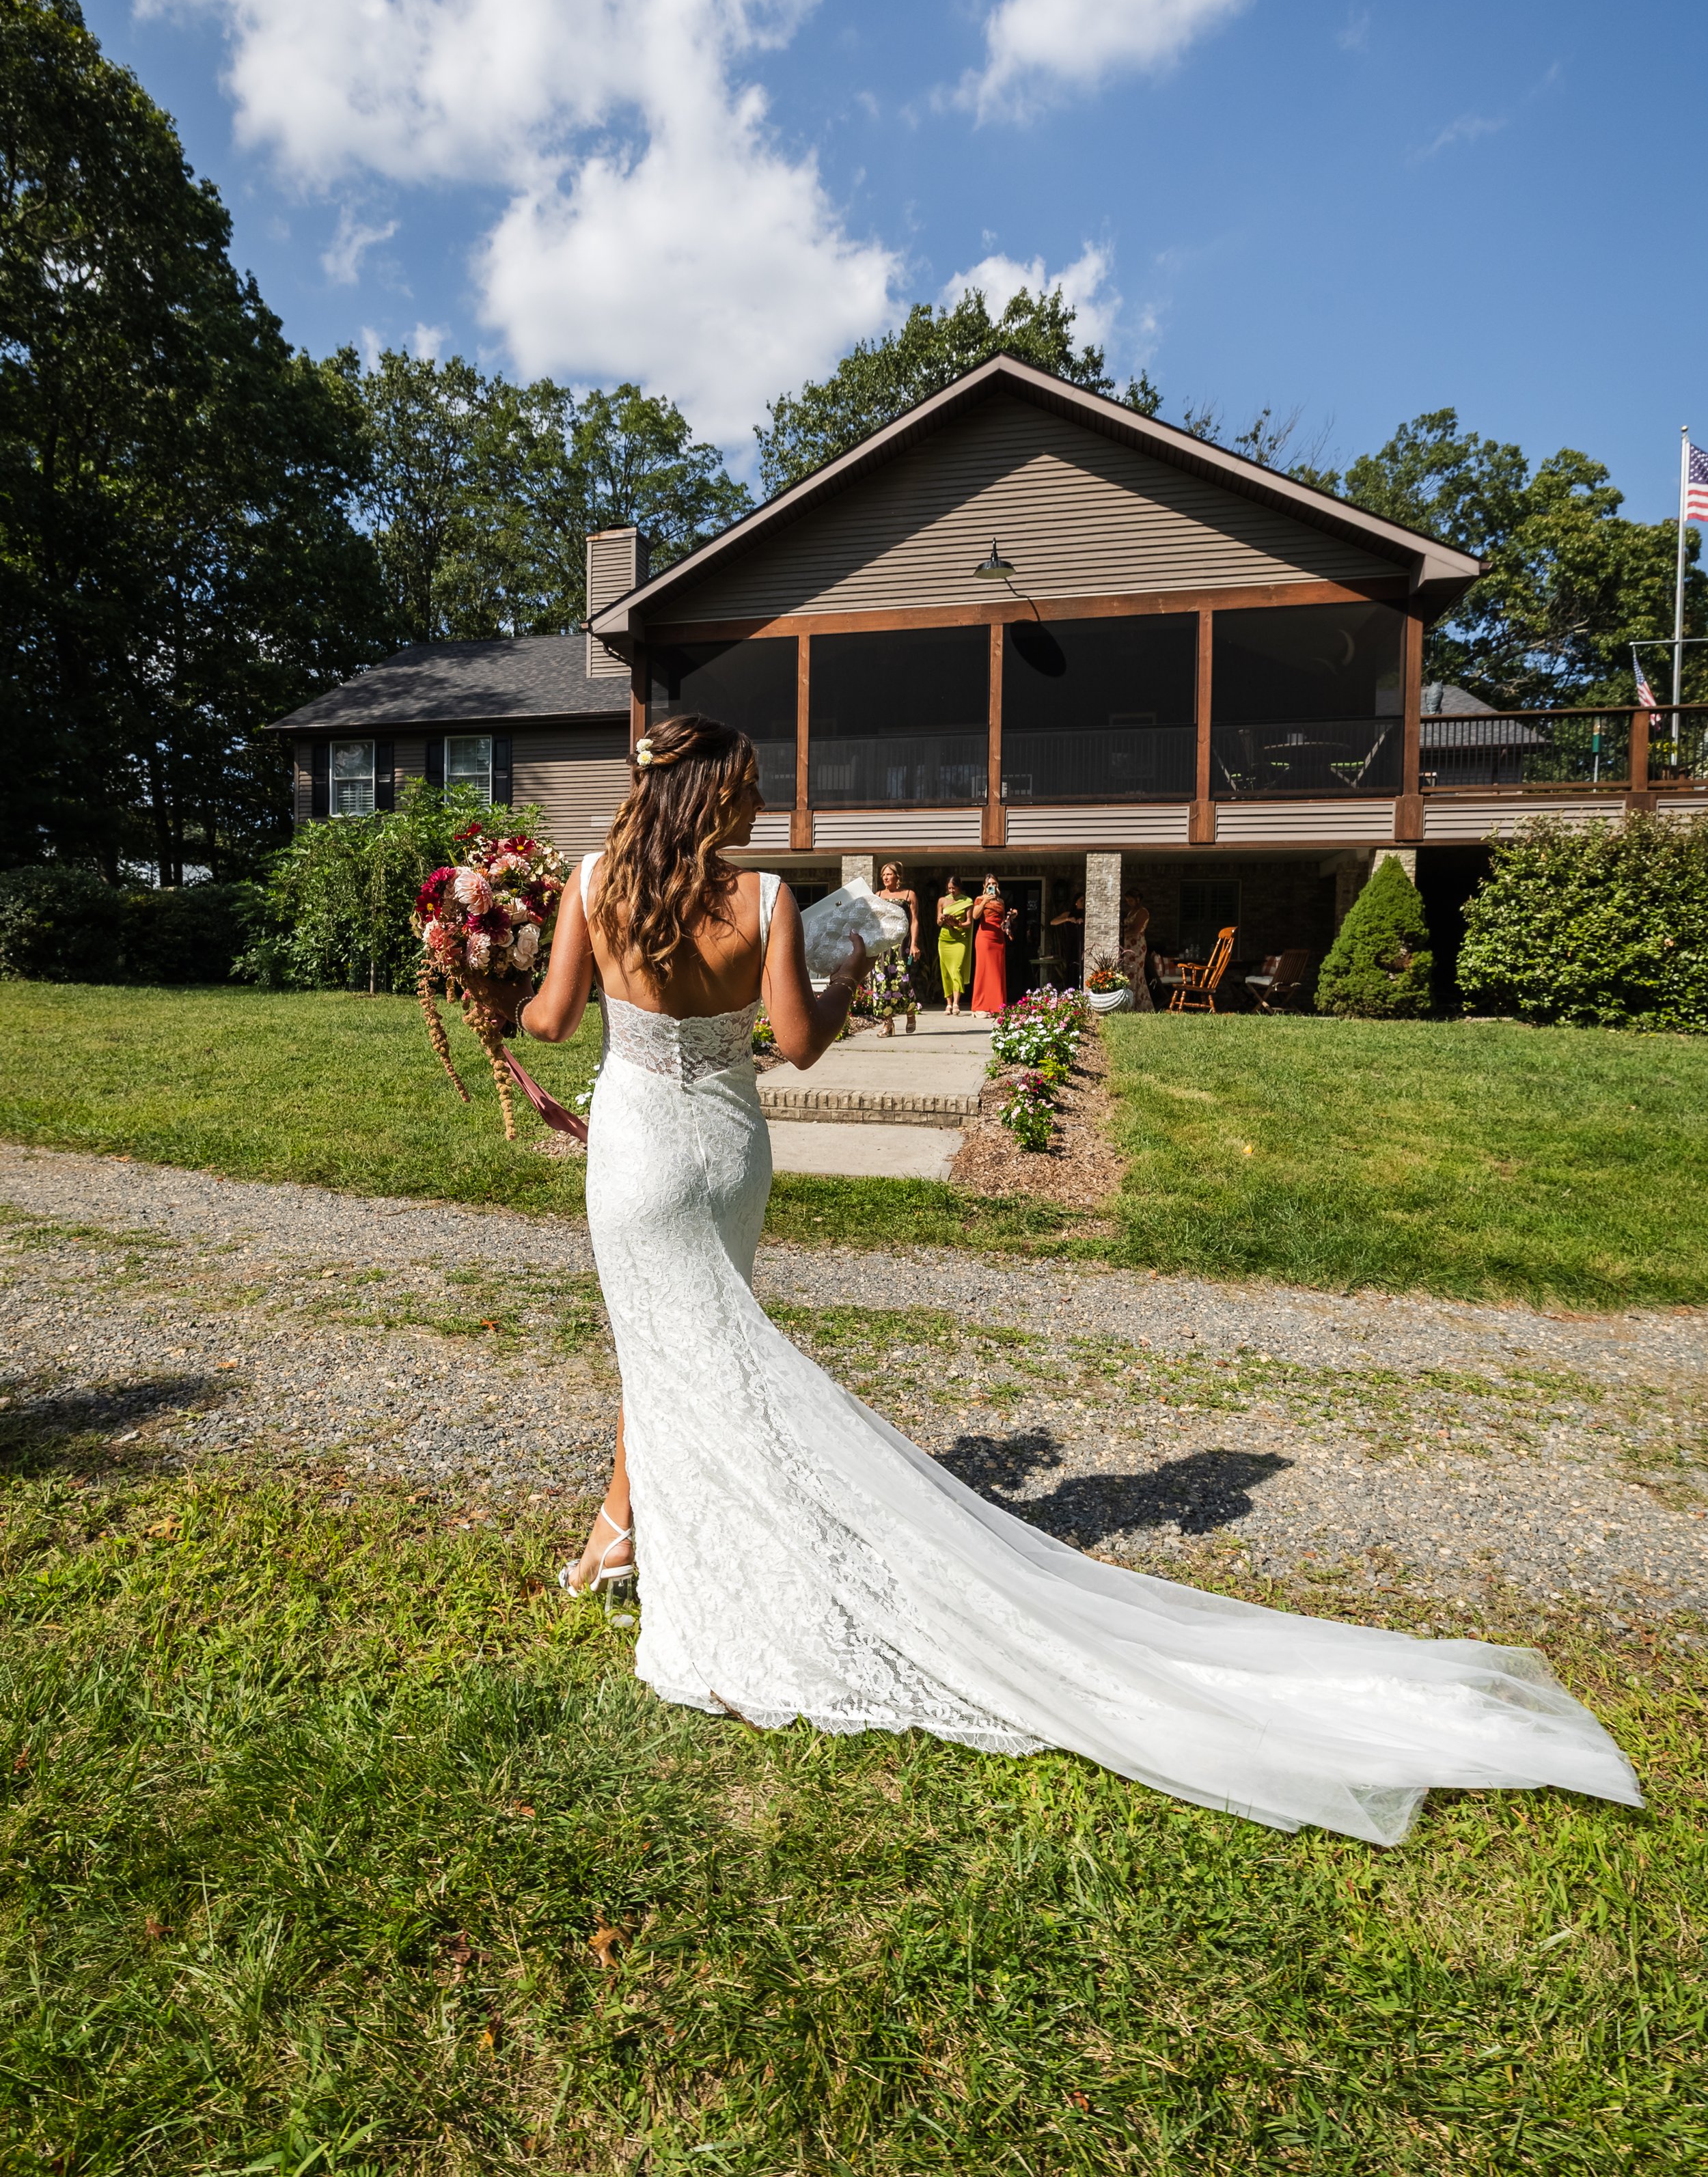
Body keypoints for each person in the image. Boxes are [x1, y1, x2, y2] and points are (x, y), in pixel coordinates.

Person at [478, 712, 1640, 1846]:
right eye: (749, 791)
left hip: (635, 1148)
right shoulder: (767, 900)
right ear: (718, 800)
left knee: (671, 1337)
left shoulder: (591, 882)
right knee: (693, 1338)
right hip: (727, 1151)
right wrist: (843, 967)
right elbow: (799, 1044)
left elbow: (550, 1019)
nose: (759, 806)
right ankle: (614, 1540)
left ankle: (656, 1555)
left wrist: (507, 990)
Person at [878, 861, 922, 1032]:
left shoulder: (909, 895)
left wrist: (914, 944)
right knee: (882, 984)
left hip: (902, 945)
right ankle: (888, 1023)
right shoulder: (879, 895)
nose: (885, 878)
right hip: (882, 945)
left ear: (898, 876)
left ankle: (910, 1013)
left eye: (888, 874)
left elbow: (915, 920)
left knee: (903, 981)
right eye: (883, 875)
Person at [969, 873, 1015, 1017]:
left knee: (997, 972)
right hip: (985, 938)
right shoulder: (980, 899)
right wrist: (984, 902)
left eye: (994, 884)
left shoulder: (1001, 901)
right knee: (983, 971)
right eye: (989, 884)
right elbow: (975, 916)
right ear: (985, 886)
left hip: (999, 938)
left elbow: (1002, 923)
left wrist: (1009, 919)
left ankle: (996, 1006)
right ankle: (980, 1006)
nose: (992, 886)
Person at [936, 874, 974, 1014]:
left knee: (956, 969)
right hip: (944, 940)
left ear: (959, 887)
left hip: (960, 940)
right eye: (949, 888)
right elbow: (938, 923)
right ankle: (949, 1003)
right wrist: (942, 919)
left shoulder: (968, 901)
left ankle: (957, 1003)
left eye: (954, 888)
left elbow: (969, 923)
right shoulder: (942, 901)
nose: (951, 891)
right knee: (945, 972)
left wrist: (958, 924)